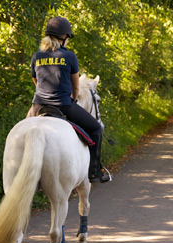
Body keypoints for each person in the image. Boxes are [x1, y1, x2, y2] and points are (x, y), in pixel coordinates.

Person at [27, 16, 110, 183]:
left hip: (37, 106)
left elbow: (36, 83)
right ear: (64, 37)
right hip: (63, 105)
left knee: (20, 134)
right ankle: (94, 172)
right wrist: (72, 97)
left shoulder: (36, 56)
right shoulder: (70, 56)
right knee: (96, 129)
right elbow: (76, 88)